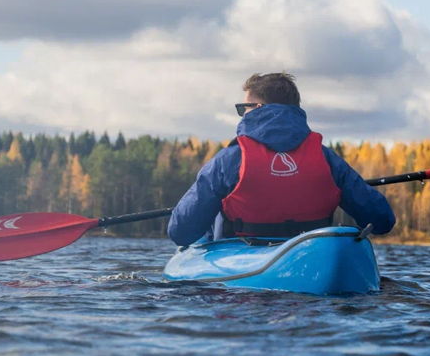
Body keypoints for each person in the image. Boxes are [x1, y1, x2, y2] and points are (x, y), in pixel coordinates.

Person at [168, 72, 395, 246]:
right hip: (313, 253)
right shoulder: (327, 159)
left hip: (241, 259)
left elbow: (181, 232)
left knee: (213, 216)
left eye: (243, 108)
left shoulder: (229, 160)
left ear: (257, 108)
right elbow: (382, 221)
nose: (242, 114)